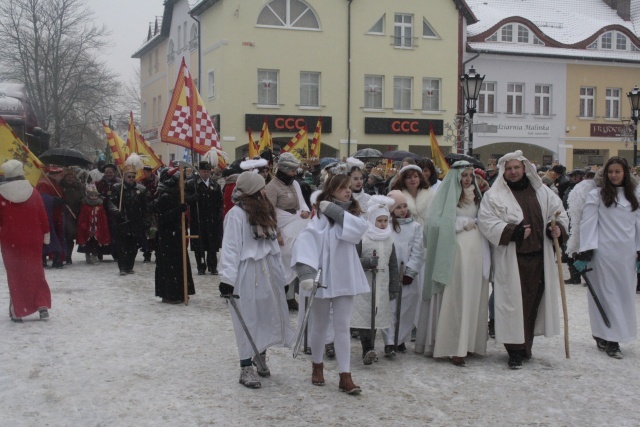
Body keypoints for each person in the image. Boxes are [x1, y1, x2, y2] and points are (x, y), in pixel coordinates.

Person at [477, 150, 568, 369]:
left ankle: (526, 346)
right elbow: (486, 221)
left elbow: (559, 214)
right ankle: (514, 351)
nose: (513, 172)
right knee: (511, 306)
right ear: (503, 172)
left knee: (530, 306)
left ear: (525, 168)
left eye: (517, 167)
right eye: (509, 169)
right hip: (512, 259)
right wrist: (512, 232)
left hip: (538, 259)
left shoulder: (543, 192)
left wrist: (556, 229)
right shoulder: (494, 195)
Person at [292, 174, 368, 395]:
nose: (348, 191)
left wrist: (335, 211)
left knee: (343, 326)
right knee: (320, 324)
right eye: (342, 188)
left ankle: (345, 375)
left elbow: (358, 230)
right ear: (331, 190)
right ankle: (317, 365)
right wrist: (306, 272)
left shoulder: (353, 213)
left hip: (345, 276)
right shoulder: (318, 217)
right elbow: (307, 239)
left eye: (349, 188)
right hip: (323, 277)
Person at [218, 171, 296, 389]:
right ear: (252, 190)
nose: (264, 191)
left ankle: (259, 354)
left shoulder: (265, 211)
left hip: (268, 271)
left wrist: (282, 275)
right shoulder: (236, 215)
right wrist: (227, 279)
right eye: (261, 187)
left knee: (266, 315)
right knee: (247, 319)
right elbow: (231, 248)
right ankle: (245, 366)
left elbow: (273, 245)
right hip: (247, 272)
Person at [423, 161, 490, 366]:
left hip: (475, 251)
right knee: (455, 295)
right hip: (455, 251)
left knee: (470, 295)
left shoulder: (477, 196)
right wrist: (460, 224)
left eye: (470, 175)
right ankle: (452, 344)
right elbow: (434, 223)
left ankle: (468, 342)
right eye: (464, 175)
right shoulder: (446, 195)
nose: (468, 179)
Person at [574, 157, 640, 359]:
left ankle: (610, 333)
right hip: (603, 254)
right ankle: (611, 339)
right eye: (610, 172)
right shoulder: (597, 195)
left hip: (626, 255)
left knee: (624, 295)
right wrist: (585, 250)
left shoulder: (634, 196)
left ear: (625, 173)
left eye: (618, 171)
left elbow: (638, 225)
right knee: (607, 295)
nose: (614, 175)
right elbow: (589, 223)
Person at [0, 160, 51, 322]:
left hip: (10, 240)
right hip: (33, 238)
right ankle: (42, 304)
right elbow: (42, 216)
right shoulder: (34, 193)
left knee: (15, 274)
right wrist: (46, 234)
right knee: (36, 271)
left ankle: (18, 309)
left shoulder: (1, 194)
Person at [351, 195, 400, 363]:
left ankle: (375, 346)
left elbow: (393, 264)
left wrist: (394, 286)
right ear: (372, 220)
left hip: (382, 283)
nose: (383, 224)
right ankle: (368, 348)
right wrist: (367, 262)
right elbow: (353, 259)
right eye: (379, 220)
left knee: (378, 316)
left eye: (385, 220)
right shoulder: (363, 237)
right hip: (365, 282)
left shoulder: (389, 239)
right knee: (365, 316)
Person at [265, 153, 310, 311]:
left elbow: (302, 204)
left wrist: (304, 212)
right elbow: (269, 212)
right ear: (283, 170)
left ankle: (290, 297)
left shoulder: (295, 184)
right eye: (292, 171)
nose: (294, 174)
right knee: (283, 263)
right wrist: (276, 232)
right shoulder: (272, 187)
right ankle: (280, 295)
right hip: (282, 232)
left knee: (295, 261)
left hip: (296, 229)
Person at [383, 190, 425, 353]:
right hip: (390, 273)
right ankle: (389, 341)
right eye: (398, 207)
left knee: (406, 307)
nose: (402, 210)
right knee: (390, 308)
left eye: (404, 206)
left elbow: (418, 250)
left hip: (407, 274)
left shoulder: (414, 227)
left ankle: (400, 338)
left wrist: (411, 271)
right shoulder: (387, 225)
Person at [154, 167, 195, 304]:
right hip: (168, 237)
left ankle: (181, 291)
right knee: (170, 266)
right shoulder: (165, 196)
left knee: (179, 263)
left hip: (176, 234)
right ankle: (170, 293)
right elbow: (163, 218)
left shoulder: (177, 195)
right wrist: (178, 210)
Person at [109, 165, 149, 275]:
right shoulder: (118, 188)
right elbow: (111, 202)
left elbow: (145, 207)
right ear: (124, 177)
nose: (131, 178)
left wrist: (146, 220)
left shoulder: (141, 189)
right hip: (122, 220)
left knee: (134, 246)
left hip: (136, 221)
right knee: (122, 246)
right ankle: (122, 267)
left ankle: (130, 266)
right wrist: (116, 211)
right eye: (128, 176)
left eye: (132, 176)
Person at [187, 161, 223, 275]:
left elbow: (219, 202)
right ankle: (201, 266)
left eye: (208, 171)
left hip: (212, 219)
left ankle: (212, 266)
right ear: (199, 172)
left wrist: (218, 216)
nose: (206, 174)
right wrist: (193, 198)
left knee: (212, 244)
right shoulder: (193, 184)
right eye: (204, 171)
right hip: (198, 219)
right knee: (199, 245)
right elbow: (185, 198)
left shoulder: (215, 185)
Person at [37, 166, 66, 268]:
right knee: (49, 236)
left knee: (55, 235)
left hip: (56, 214)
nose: (62, 177)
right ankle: (46, 258)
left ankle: (56, 258)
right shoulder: (44, 184)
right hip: (49, 214)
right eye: (60, 174)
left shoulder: (55, 184)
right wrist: (55, 200)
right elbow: (42, 198)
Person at [76, 182, 111, 264]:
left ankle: (94, 255)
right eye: (91, 195)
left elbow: (103, 216)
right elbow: (82, 217)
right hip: (87, 227)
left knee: (96, 242)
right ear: (88, 195)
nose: (93, 197)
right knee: (87, 242)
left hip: (97, 227)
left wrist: (102, 225)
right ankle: (87, 254)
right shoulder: (84, 205)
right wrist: (83, 225)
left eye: (95, 195)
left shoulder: (100, 205)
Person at [562, 168, 586, 285]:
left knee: (581, 252)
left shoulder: (583, 189)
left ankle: (584, 276)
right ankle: (574, 276)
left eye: (574, 176)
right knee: (570, 250)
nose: (571, 178)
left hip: (579, 223)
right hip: (569, 222)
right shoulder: (570, 188)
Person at [96, 163, 121, 260]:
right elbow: (94, 194)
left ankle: (115, 252)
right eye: (107, 172)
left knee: (114, 232)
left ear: (114, 173)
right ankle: (100, 251)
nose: (109, 174)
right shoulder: (98, 183)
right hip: (102, 210)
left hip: (114, 211)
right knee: (102, 230)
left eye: (111, 172)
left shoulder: (119, 183)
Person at [59, 168, 83, 265]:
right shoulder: (59, 186)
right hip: (62, 212)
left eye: (72, 177)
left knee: (70, 235)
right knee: (62, 235)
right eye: (68, 176)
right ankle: (63, 255)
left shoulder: (79, 187)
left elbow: (82, 197)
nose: (70, 178)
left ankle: (68, 256)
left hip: (74, 213)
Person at [138, 165, 159, 263]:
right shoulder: (140, 182)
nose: (144, 174)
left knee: (154, 233)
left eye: (146, 172)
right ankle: (146, 253)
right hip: (143, 211)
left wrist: (153, 202)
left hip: (155, 212)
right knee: (145, 234)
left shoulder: (157, 181)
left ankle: (157, 253)